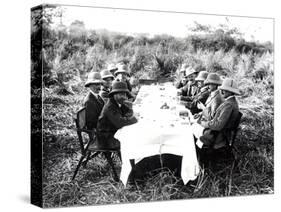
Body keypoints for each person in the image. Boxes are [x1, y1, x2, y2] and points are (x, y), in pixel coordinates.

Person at [191, 78, 240, 150]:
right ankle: (197, 152)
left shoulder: (229, 105)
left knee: (193, 128)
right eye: (222, 89)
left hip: (217, 136)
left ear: (231, 92)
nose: (222, 91)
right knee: (194, 125)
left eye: (226, 90)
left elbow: (218, 125)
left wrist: (204, 123)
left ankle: (197, 154)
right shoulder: (229, 102)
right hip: (217, 132)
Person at [97, 81, 138, 149]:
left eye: (124, 94)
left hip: (113, 131)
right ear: (114, 94)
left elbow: (127, 111)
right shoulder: (110, 107)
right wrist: (135, 118)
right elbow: (121, 123)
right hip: (106, 138)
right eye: (121, 94)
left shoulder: (118, 102)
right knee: (132, 140)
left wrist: (131, 112)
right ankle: (130, 158)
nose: (124, 97)